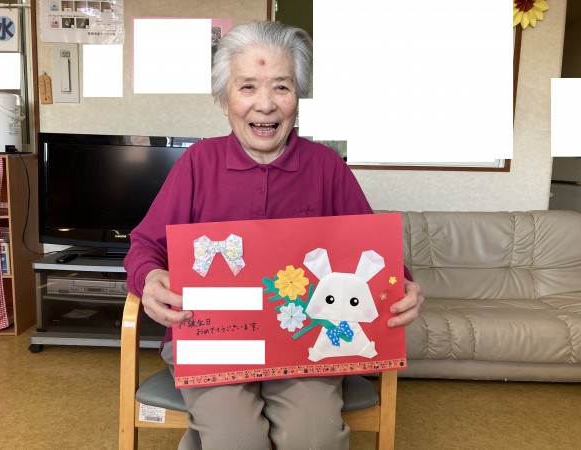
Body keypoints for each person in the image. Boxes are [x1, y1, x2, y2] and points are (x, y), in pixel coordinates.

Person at [124, 20, 424, 450]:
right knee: (236, 438)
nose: (265, 105)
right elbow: (145, 245)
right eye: (247, 87)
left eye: (281, 87)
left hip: (303, 341)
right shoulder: (198, 163)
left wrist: (403, 285)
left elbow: (373, 253)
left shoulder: (326, 167)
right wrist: (150, 278)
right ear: (224, 100)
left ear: (298, 98)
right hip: (214, 339)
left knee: (315, 436)